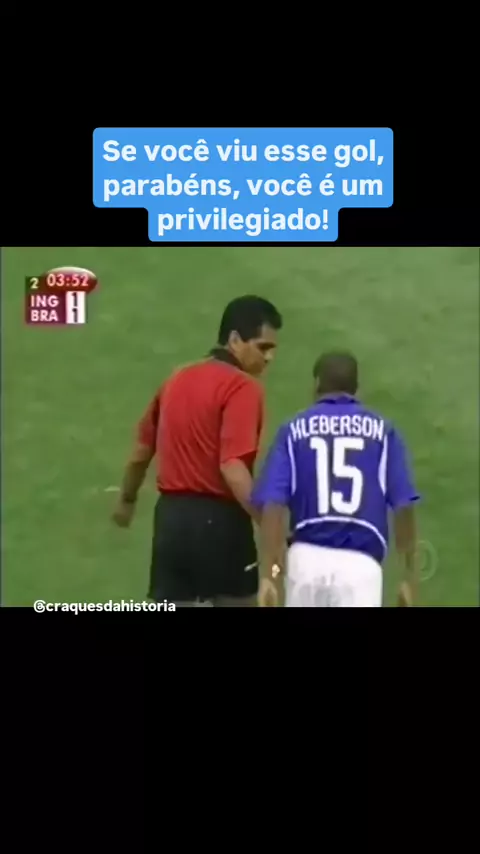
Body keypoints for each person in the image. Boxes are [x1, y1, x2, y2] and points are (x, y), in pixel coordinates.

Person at [112, 295, 283, 607]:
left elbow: (141, 451)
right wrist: (268, 521)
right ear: (235, 340)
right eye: (263, 347)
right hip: (221, 523)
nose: (269, 357)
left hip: (171, 523)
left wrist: (127, 500)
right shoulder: (242, 387)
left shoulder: (176, 378)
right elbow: (232, 466)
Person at [252, 351, 420, 608]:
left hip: (305, 563)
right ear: (357, 389)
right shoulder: (384, 432)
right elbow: (403, 506)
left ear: (316, 384)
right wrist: (407, 577)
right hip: (360, 570)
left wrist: (269, 574)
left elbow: (273, 505)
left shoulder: (292, 430)